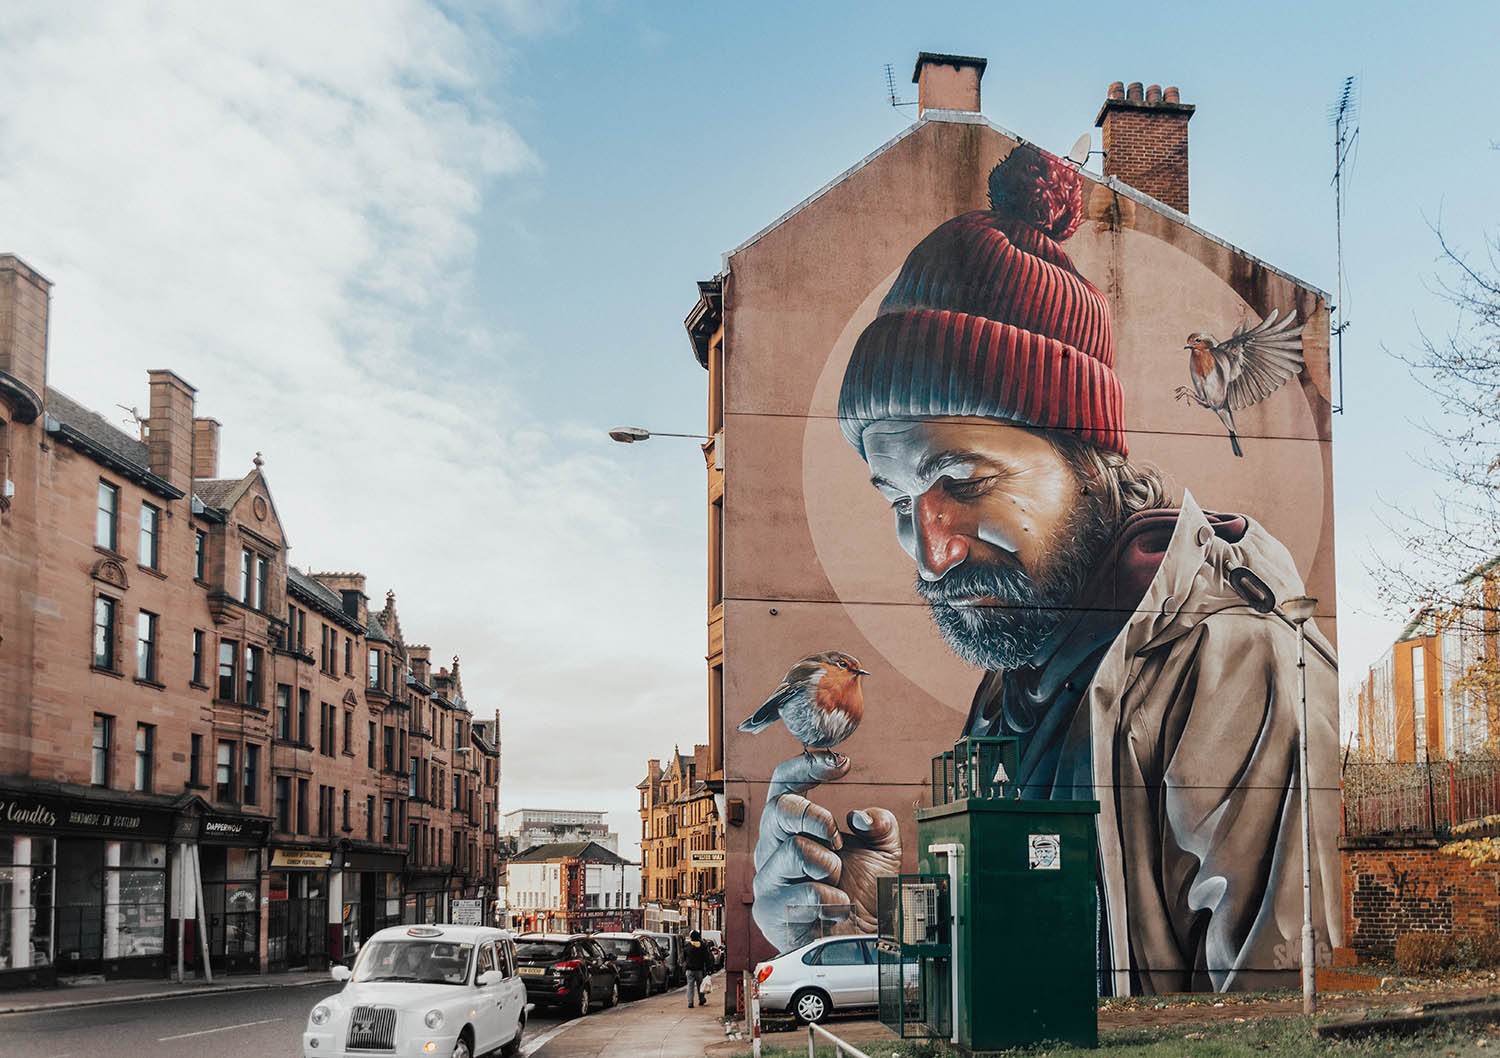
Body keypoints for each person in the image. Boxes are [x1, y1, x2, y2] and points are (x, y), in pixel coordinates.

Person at [750, 143, 1341, 994]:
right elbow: (1025, 969)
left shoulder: (1233, 662)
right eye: (896, 499)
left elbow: (1276, 1026)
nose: (931, 549)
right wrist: (875, 916)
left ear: (1087, 454)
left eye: (962, 480)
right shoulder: (1021, 669)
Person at [683, 929, 709, 1007]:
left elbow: (684, 956)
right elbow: (706, 958)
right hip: (699, 969)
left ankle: (690, 1002)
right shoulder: (702, 946)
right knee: (700, 986)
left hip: (689, 969)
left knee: (690, 986)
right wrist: (708, 968)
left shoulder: (688, 946)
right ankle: (701, 999)